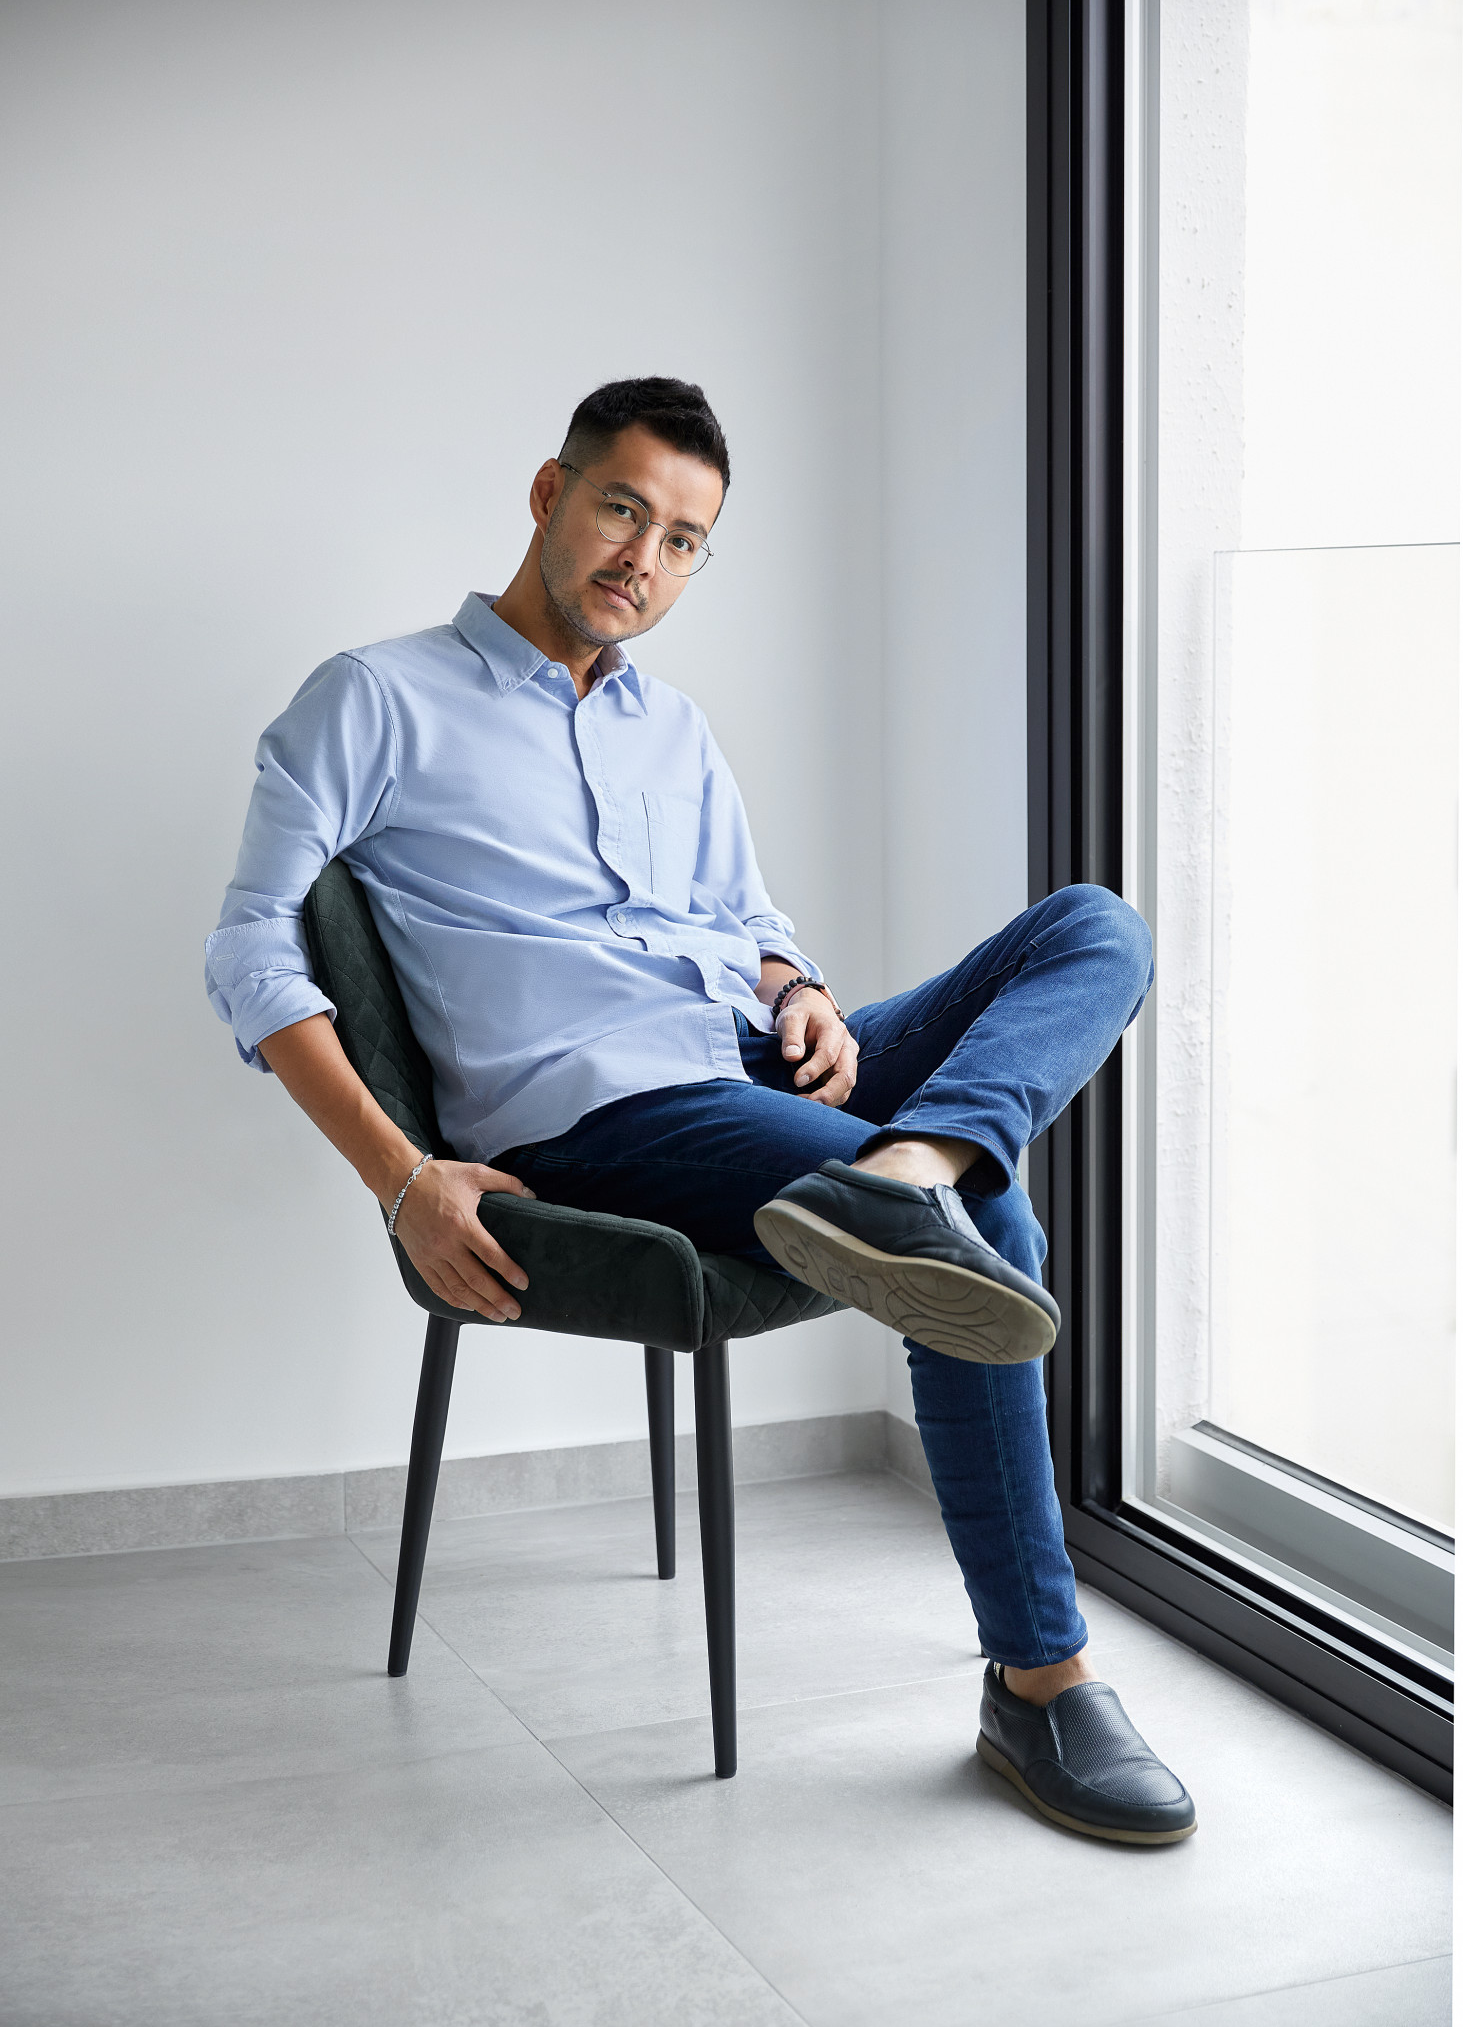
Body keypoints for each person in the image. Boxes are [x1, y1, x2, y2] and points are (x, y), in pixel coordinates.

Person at [205, 375, 1195, 1845]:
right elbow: (248, 950)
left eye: (682, 542)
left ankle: (908, 1165)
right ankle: (1041, 1681)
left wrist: (802, 989)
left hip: (749, 1059)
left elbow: (746, 919)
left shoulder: (674, 726)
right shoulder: (376, 697)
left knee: (1094, 925)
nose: (644, 561)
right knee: (991, 1224)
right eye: (624, 511)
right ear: (550, 494)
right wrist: (402, 1178)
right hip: (601, 1113)